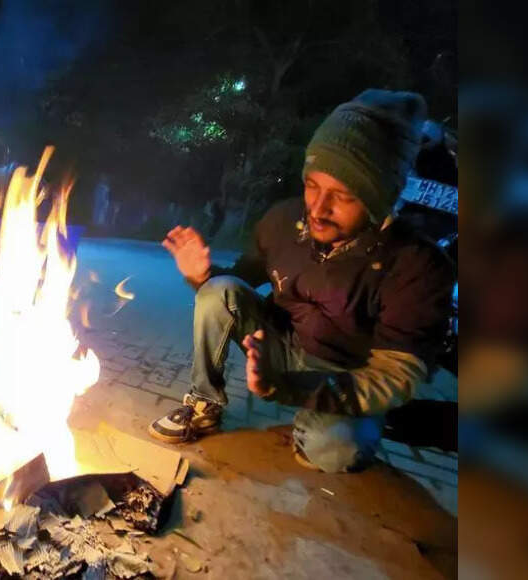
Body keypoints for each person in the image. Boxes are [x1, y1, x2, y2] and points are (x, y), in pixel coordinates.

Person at [148, 90, 454, 473]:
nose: (318, 209)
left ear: (379, 198)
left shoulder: (418, 265)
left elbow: (395, 374)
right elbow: (236, 286)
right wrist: (202, 276)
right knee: (217, 291)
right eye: (312, 185)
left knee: (337, 450)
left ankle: (342, 422)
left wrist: (293, 389)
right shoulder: (283, 220)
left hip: (346, 373)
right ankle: (203, 403)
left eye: (342, 196)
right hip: (281, 344)